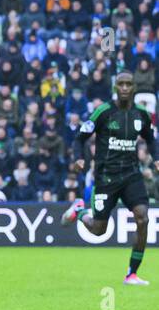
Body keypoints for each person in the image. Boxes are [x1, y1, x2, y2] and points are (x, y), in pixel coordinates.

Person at [62, 70, 154, 284]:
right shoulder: (102, 112)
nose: (124, 88)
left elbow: (151, 139)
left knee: (143, 217)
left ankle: (131, 273)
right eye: (120, 84)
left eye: (128, 84)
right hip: (106, 177)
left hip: (132, 175)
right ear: (115, 88)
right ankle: (80, 210)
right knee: (98, 229)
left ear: (133, 88)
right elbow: (79, 138)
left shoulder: (141, 114)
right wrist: (78, 158)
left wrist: (156, 158)